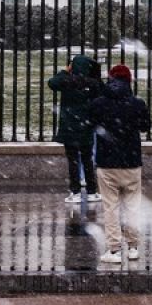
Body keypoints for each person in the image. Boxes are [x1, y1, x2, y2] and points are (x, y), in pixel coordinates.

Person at [89, 63, 151, 264]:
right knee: (133, 206)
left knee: (110, 208)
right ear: (129, 81)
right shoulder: (138, 103)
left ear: (110, 79)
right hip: (131, 160)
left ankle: (114, 249)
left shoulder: (99, 103)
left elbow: (91, 123)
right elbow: (145, 126)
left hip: (107, 161)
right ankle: (133, 247)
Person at [49, 54, 103, 203]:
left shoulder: (66, 81)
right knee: (87, 160)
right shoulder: (92, 83)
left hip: (69, 128)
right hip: (85, 126)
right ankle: (92, 191)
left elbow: (52, 83)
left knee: (72, 161)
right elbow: (102, 92)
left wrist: (65, 71)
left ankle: (76, 191)